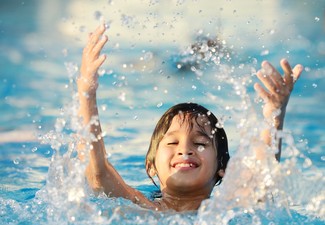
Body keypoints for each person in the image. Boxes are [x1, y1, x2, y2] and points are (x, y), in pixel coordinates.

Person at [77, 24, 303, 212]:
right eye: (172, 142)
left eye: (200, 143)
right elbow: (97, 172)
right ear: (151, 165)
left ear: (222, 168)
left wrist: (274, 113)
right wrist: (86, 93)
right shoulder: (139, 207)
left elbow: (260, 175)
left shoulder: (228, 210)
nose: (185, 150)